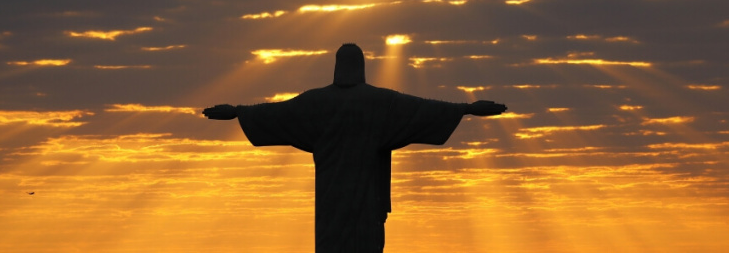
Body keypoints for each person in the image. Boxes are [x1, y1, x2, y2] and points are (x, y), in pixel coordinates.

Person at [203, 43, 506, 252]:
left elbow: (276, 113)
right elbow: (421, 110)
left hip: (331, 209)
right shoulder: (381, 103)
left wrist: (238, 111)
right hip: (365, 208)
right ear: (361, 67)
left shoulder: (315, 103)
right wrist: (466, 108)